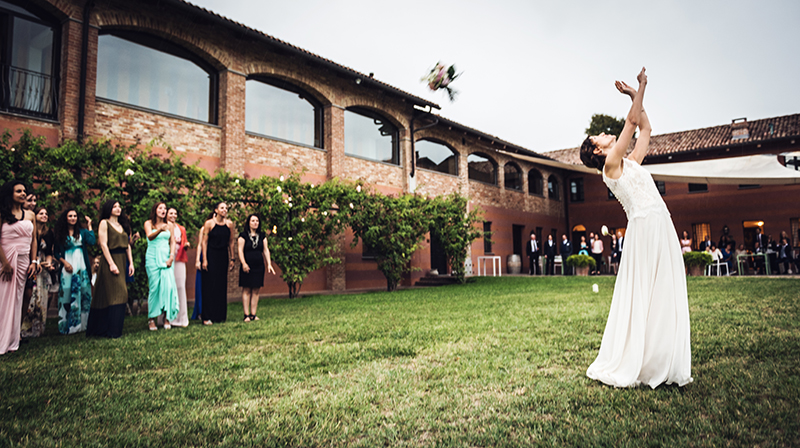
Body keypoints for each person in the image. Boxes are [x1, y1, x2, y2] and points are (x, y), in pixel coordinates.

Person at [580, 68, 692, 388]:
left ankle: (657, 357)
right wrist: (641, 86)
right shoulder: (610, 166)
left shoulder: (630, 163)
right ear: (597, 150)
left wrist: (635, 97)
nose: (604, 133)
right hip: (643, 230)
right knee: (644, 292)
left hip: (661, 224)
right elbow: (630, 124)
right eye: (598, 136)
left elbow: (645, 126)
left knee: (663, 291)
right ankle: (634, 360)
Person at [0, 180, 38, 354]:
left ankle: (12, 339)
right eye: (19, 191)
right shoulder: (2, 214)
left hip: (24, 261)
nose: (23, 194)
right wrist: (5, 263)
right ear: (10, 194)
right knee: (3, 299)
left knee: (17, 300)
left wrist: (34, 261)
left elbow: (34, 240)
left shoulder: (30, 215)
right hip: (5, 260)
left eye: (24, 191)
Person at [86, 200, 134, 338]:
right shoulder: (104, 223)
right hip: (110, 260)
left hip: (122, 260)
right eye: (115, 206)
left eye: (119, 206)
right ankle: (110, 331)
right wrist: (111, 264)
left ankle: (113, 330)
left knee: (118, 294)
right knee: (118, 293)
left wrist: (131, 263)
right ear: (109, 209)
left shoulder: (123, 225)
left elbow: (127, 246)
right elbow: (103, 244)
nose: (118, 208)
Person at [54, 208, 95, 334]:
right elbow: (56, 253)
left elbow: (92, 241)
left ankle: (83, 325)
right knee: (66, 294)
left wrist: (89, 226)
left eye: (75, 216)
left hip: (82, 266)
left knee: (84, 293)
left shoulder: (82, 232)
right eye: (70, 216)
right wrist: (65, 263)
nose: (73, 218)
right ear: (65, 218)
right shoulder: (61, 233)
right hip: (68, 266)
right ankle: (67, 325)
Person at [144, 202, 178, 331]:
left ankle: (166, 318)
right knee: (155, 288)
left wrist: (171, 257)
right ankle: (151, 319)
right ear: (155, 210)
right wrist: (159, 230)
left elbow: (173, 242)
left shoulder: (170, 225)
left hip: (166, 257)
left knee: (168, 287)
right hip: (152, 257)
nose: (163, 210)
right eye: (160, 208)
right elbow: (150, 236)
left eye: (165, 208)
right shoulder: (149, 223)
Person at [201, 202, 236, 324]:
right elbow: (204, 242)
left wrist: (232, 258)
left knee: (221, 285)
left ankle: (220, 316)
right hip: (211, 255)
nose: (224, 210)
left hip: (223, 256)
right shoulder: (209, 224)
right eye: (222, 208)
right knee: (210, 285)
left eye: (226, 208)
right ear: (216, 210)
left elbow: (231, 242)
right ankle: (207, 316)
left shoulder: (229, 224)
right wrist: (204, 259)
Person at [21, 207, 52, 338]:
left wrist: (49, 263)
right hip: (31, 263)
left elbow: (50, 251)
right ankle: (24, 329)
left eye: (46, 213)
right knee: (31, 295)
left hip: (43, 268)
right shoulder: (30, 229)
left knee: (42, 298)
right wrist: (36, 261)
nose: (44, 215)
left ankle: (38, 329)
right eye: (41, 213)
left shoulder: (48, 233)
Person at [237, 214, 275, 322]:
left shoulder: (262, 236)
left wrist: (269, 264)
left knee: (256, 289)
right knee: (247, 289)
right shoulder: (243, 236)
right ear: (248, 222)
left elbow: (266, 250)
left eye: (257, 221)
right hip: (247, 265)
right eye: (253, 221)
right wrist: (244, 263)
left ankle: (253, 314)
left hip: (259, 266)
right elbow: (240, 250)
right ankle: (246, 315)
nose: (255, 223)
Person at [167, 207, 190, 327]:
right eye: (171, 213)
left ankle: (182, 319)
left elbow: (183, 242)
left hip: (179, 258)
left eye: (175, 213)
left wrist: (186, 244)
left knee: (180, 286)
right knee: (169, 287)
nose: (173, 215)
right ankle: (167, 319)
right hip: (167, 258)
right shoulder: (163, 226)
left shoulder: (181, 228)